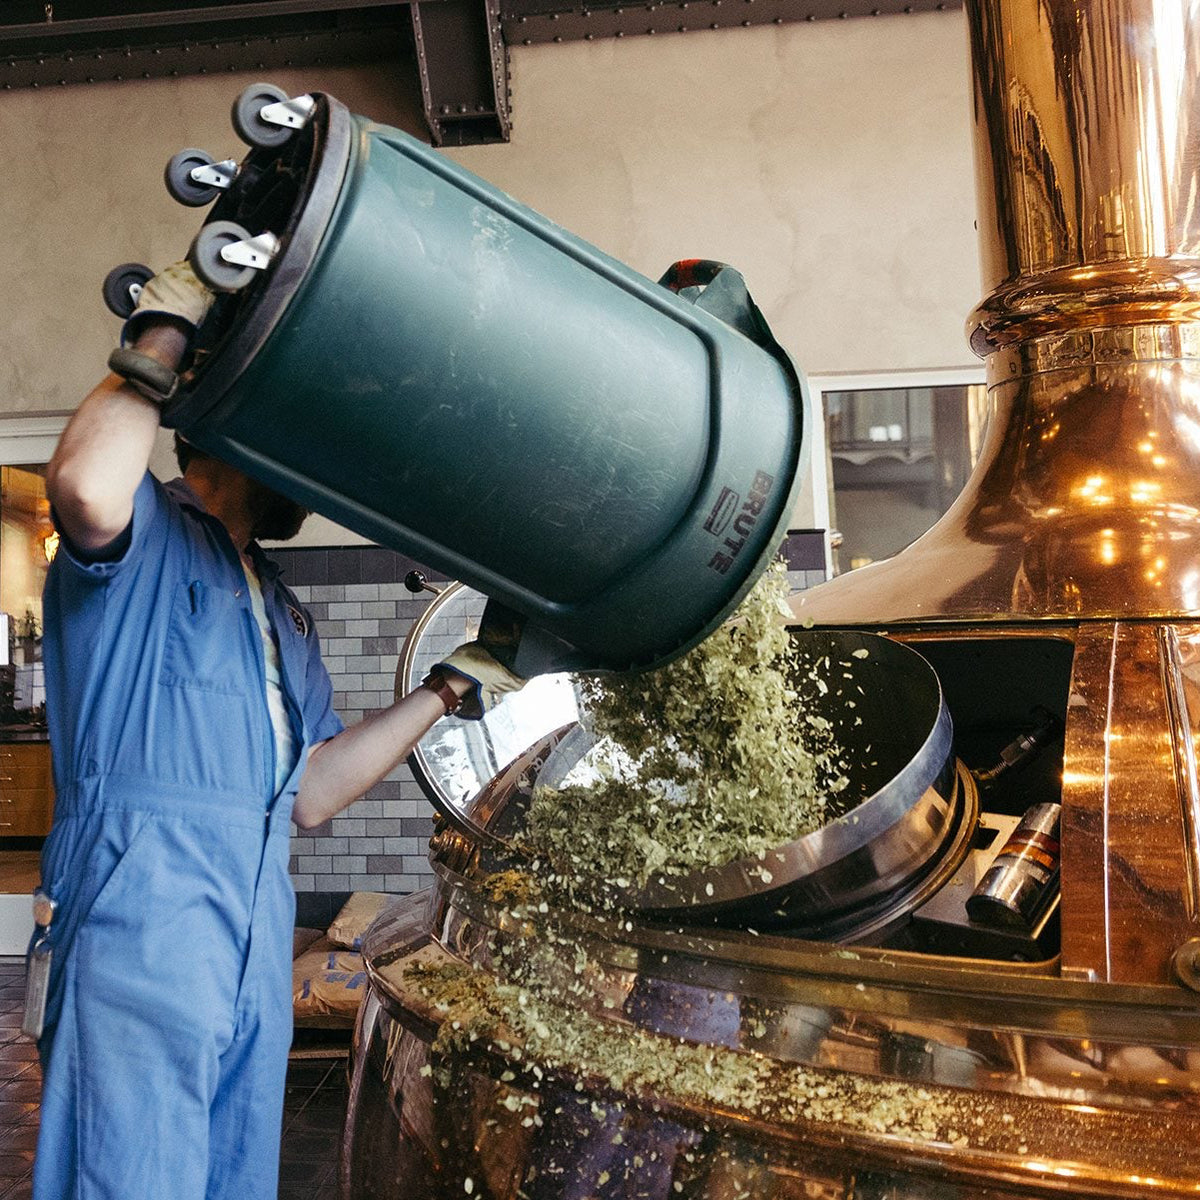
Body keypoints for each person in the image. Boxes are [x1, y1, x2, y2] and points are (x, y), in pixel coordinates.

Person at [31, 263, 523, 1199]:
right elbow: (88, 487)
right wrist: (164, 330)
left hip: (253, 940)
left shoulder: (278, 608)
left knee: (231, 1181)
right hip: (142, 926)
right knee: (128, 1175)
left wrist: (451, 689)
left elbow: (313, 794)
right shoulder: (144, 538)